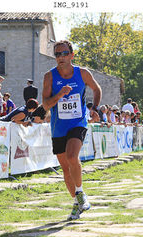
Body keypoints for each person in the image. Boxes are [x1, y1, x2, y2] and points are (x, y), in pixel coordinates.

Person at [42, 40, 102, 220]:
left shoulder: (82, 73)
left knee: (71, 156)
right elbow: (45, 104)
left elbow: (96, 89)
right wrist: (60, 95)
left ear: (72, 55)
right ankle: (77, 203)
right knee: (66, 170)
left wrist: (95, 108)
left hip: (78, 122)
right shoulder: (50, 77)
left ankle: (81, 193)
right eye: (57, 54)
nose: (61, 57)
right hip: (58, 127)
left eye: (64, 53)